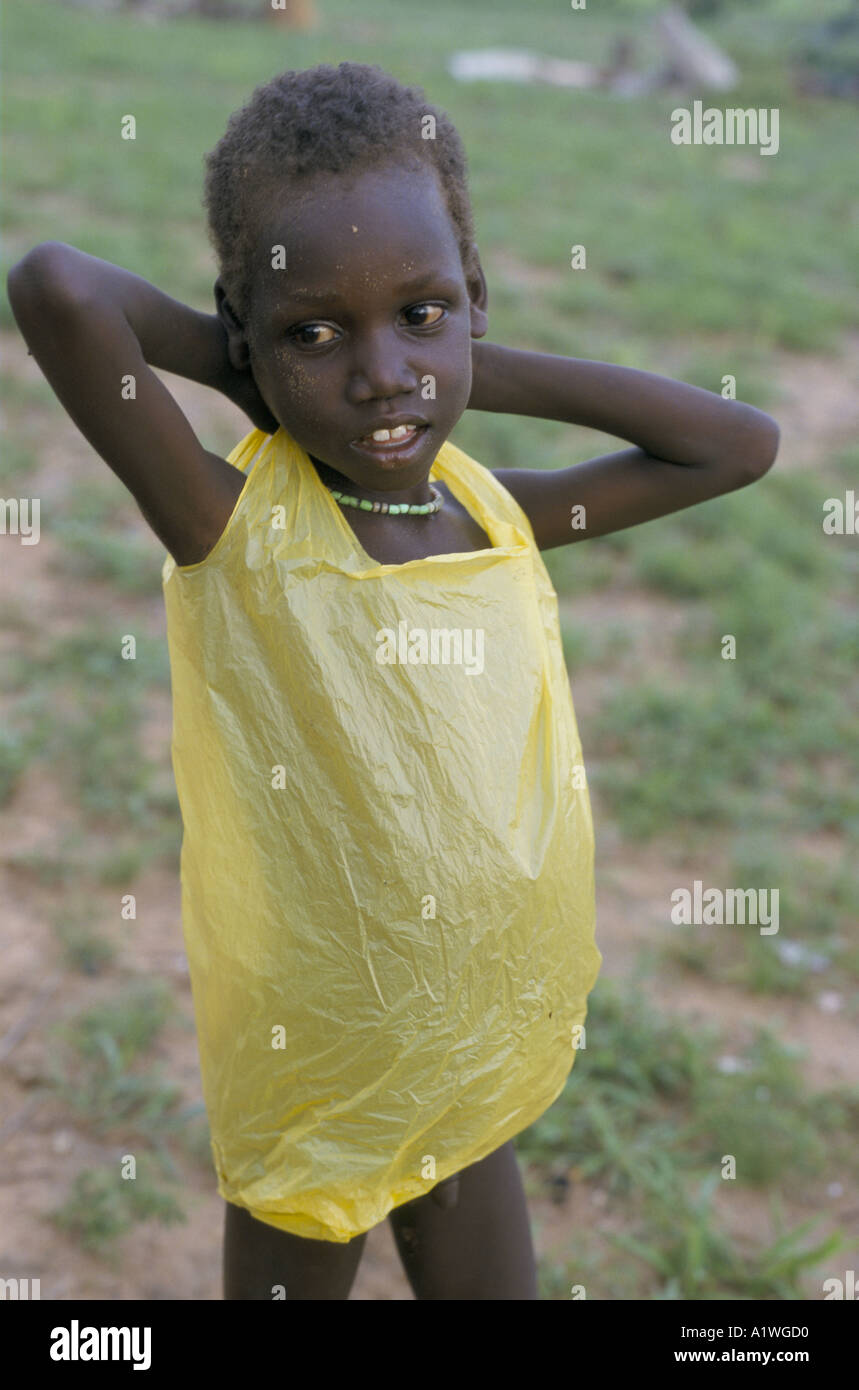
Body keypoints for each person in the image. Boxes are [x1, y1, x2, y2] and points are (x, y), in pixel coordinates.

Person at [6, 61, 779, 1301]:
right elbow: (57, 287)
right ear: (252, 334)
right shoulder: (231, 529)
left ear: (473, 298)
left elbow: (735, 442)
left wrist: (454, 355)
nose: (378, 378)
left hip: (475, 1045)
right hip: (319, 1060)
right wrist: (248, 357)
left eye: (418, 312)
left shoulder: (499, 515)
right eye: (316, 332)